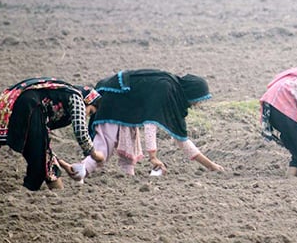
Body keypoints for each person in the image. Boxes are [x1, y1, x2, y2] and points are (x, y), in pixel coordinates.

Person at [67, 69, 225, 181]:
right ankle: (80, 171)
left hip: (127, 104)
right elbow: (151, 124)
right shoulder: (166, 89)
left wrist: (211, 166)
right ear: (191, 93)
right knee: (104, 146)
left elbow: (181, 139)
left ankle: (126, 178)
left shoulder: (172, 89)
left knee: (129, 141)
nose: (197, 104)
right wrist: (153, 157)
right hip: (114, 97)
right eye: (198, 100)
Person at [0, 77, 104, 191]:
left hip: (26, 105)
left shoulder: (62, 98)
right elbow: (80, 131)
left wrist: (65, 166)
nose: (87, 115)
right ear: (88, 100)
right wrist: (93, 154)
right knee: (39, 163)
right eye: (90, 111)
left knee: (43, 157)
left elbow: (45, 143)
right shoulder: (77, 97)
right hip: (30, 106)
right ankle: (32, 191)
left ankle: (55, 193)